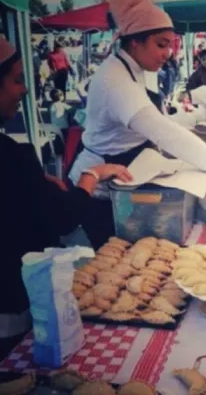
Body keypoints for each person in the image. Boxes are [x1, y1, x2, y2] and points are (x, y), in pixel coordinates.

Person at [70, 0, 206, 249]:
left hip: (131, 172)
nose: (168, 53)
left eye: (170, 45)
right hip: (102, 189)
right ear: (135, 41)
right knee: (119, 263)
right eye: (161, 45)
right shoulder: (115, 81)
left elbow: (158, 119)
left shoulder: (136, 69)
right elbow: (163, 132)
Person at [0, 37, 132, 360]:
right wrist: (93, 175)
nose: (25, 91)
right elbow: (63, 216)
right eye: (17, 79)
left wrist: (35, 182)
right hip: (10, 315)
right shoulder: (12, 158)